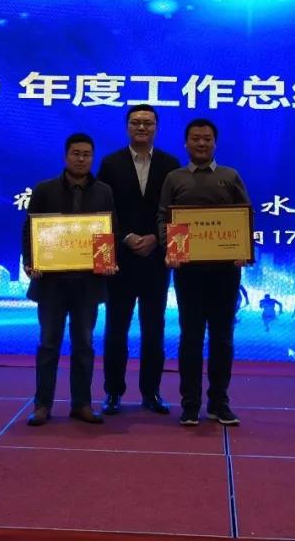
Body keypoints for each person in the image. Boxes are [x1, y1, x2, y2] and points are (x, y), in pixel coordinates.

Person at [158, 118, 250, 427]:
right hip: (188, 272)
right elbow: (163, 217)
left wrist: (243, 249)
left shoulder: (230, 176)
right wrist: (170, 249)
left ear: (215, 143)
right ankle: (190, 404)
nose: (201, 143)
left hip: (225, 273)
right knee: (191, 338)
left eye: (207, 138)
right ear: (186, 143)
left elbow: (244, 216)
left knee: (222, 338)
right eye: (196, 138)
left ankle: (219, 403)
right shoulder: (175, 178)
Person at [22, 133, 117, 427]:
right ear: (66, 156)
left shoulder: (104, 191)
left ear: (93, 158)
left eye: (87, 154)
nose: (81, 159)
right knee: (49, 344)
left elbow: (109, 230)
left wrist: (107, 261)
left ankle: (82, 404)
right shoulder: (44, 189)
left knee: (84, 346)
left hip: (88, 284)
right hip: (51, 283)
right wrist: (31, 262)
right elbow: (30, 230)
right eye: (76, 153)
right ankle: (42, 405)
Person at [97, 104, 181, 416]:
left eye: (148, 122)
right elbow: (103, 210)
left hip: (156, 260)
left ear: (156, 127)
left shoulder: (171, 164)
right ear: (127, 127)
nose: (142, 127)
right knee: (115, 329)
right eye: (136, 122)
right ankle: (113, 393)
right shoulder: (110, 163)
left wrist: (158, 239)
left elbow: (177, 211)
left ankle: (151, 392)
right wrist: (125, 238)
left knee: (154, 330)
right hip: (120, 260)